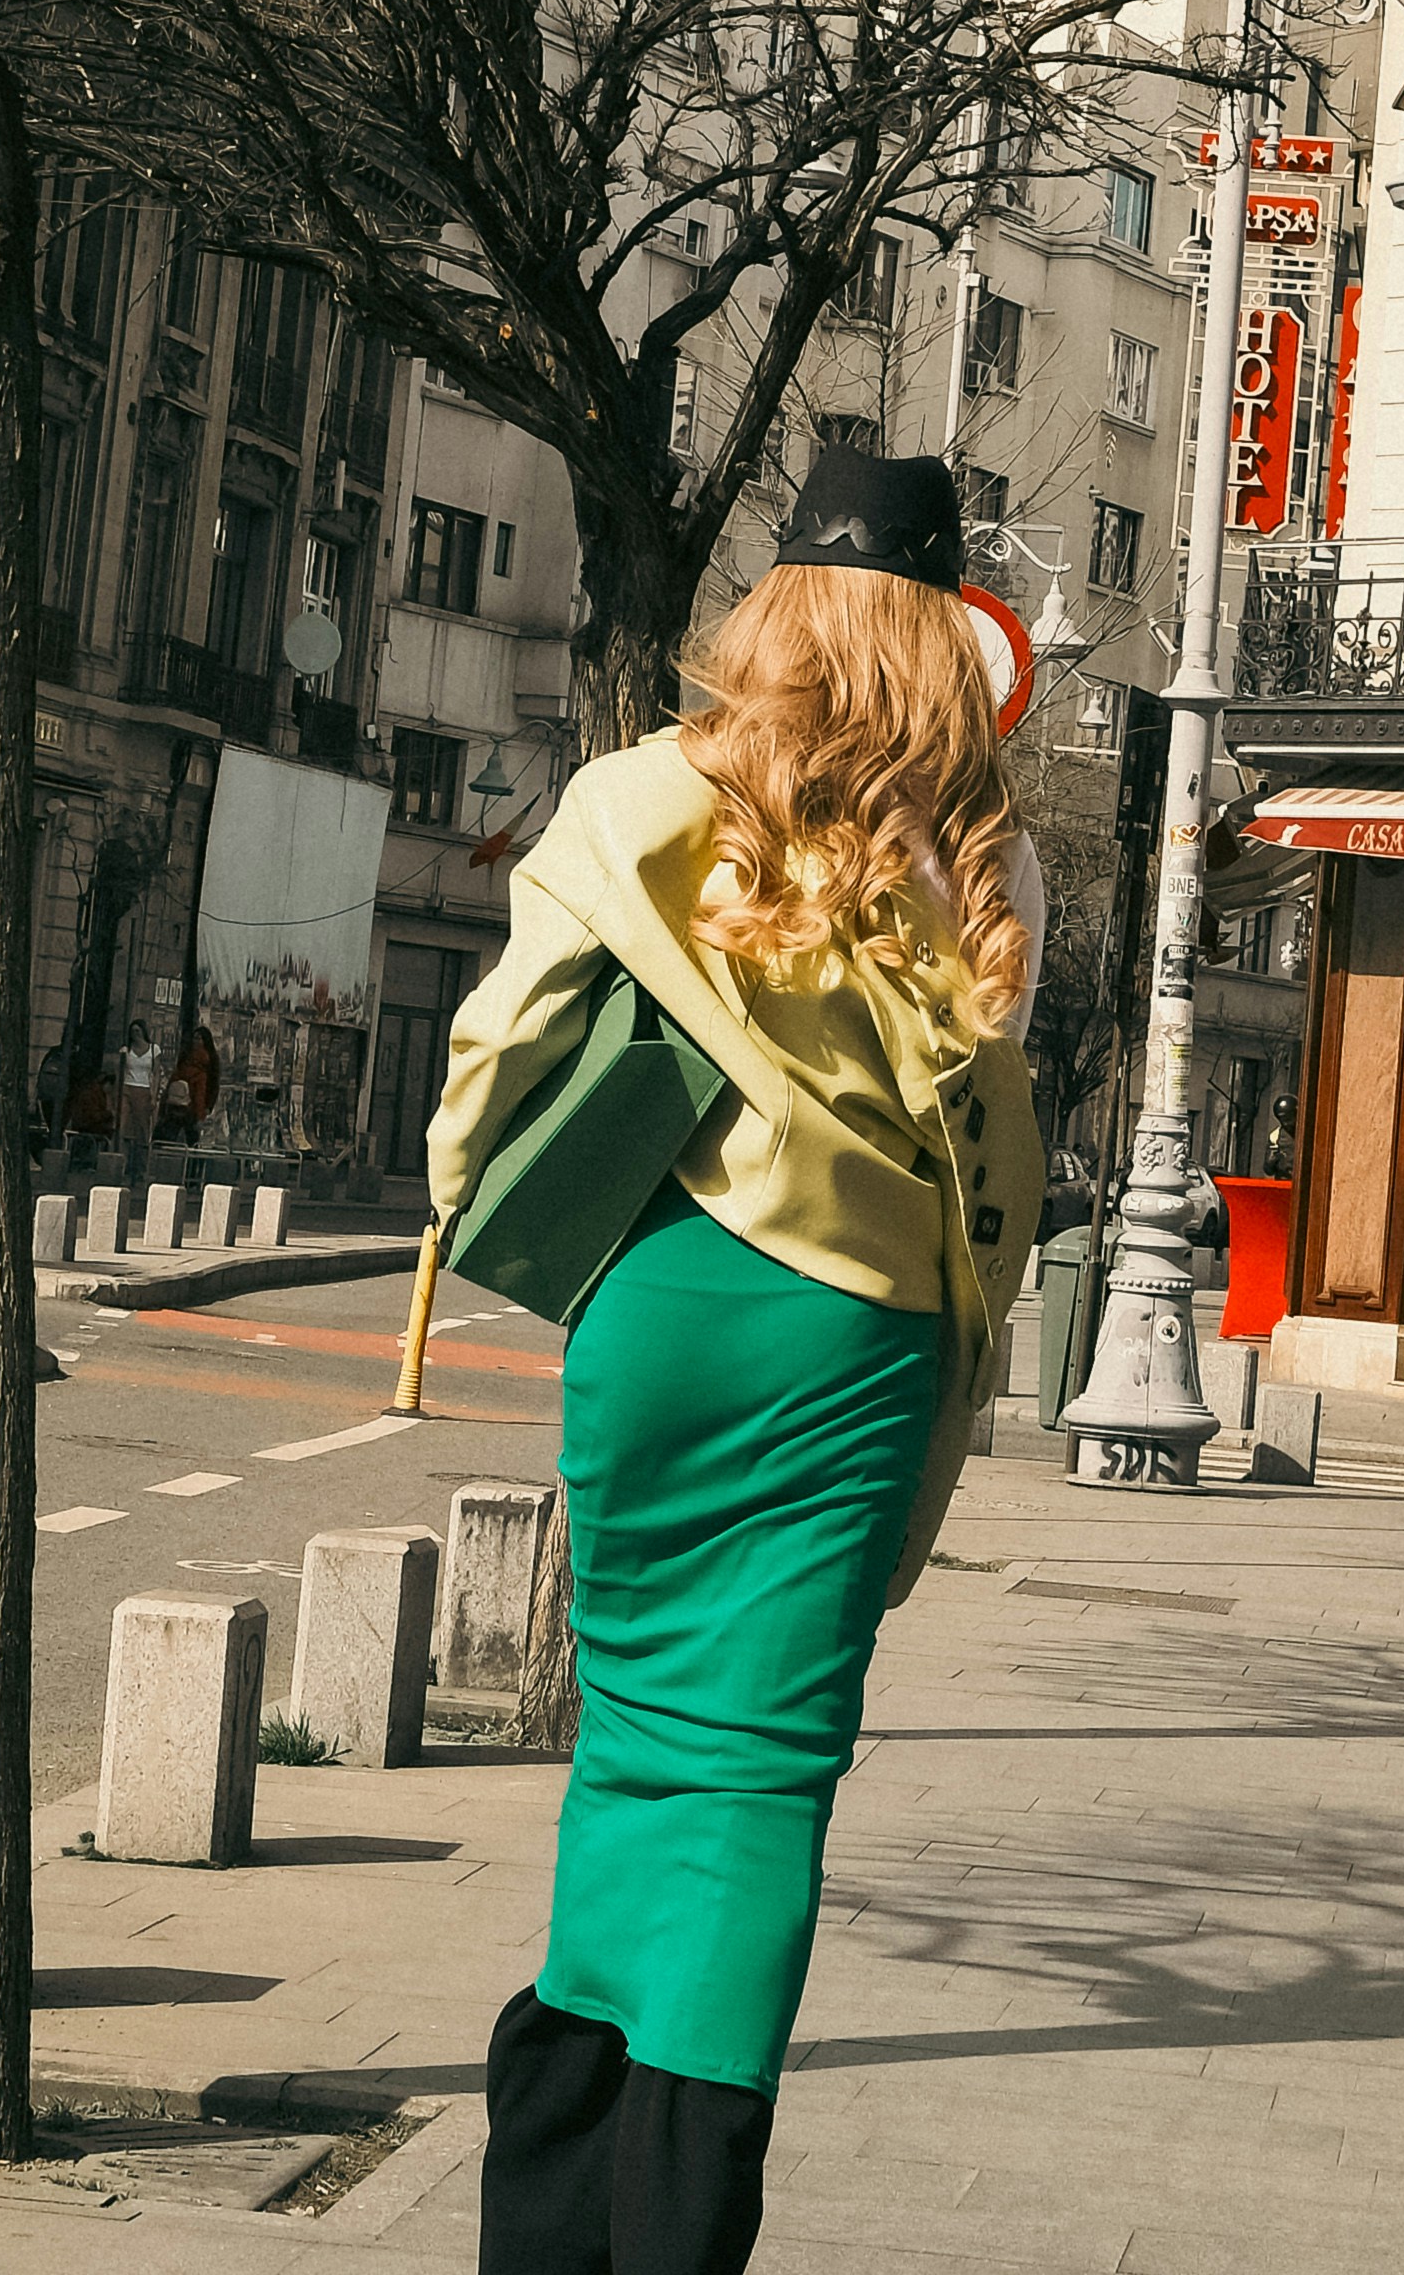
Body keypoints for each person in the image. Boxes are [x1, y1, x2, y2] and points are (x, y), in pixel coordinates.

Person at [431, 453, 1039, 2275]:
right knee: (759, 1772)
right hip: (849, 1331)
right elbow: (991, 1165)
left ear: (770, 621)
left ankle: (549, 2212)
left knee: (628, 1743)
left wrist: (531, 1230)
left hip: (663, 1299)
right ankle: (666, 2229)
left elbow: (499, 1054)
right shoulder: (956, 872)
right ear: (937, 647)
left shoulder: (632, 802)